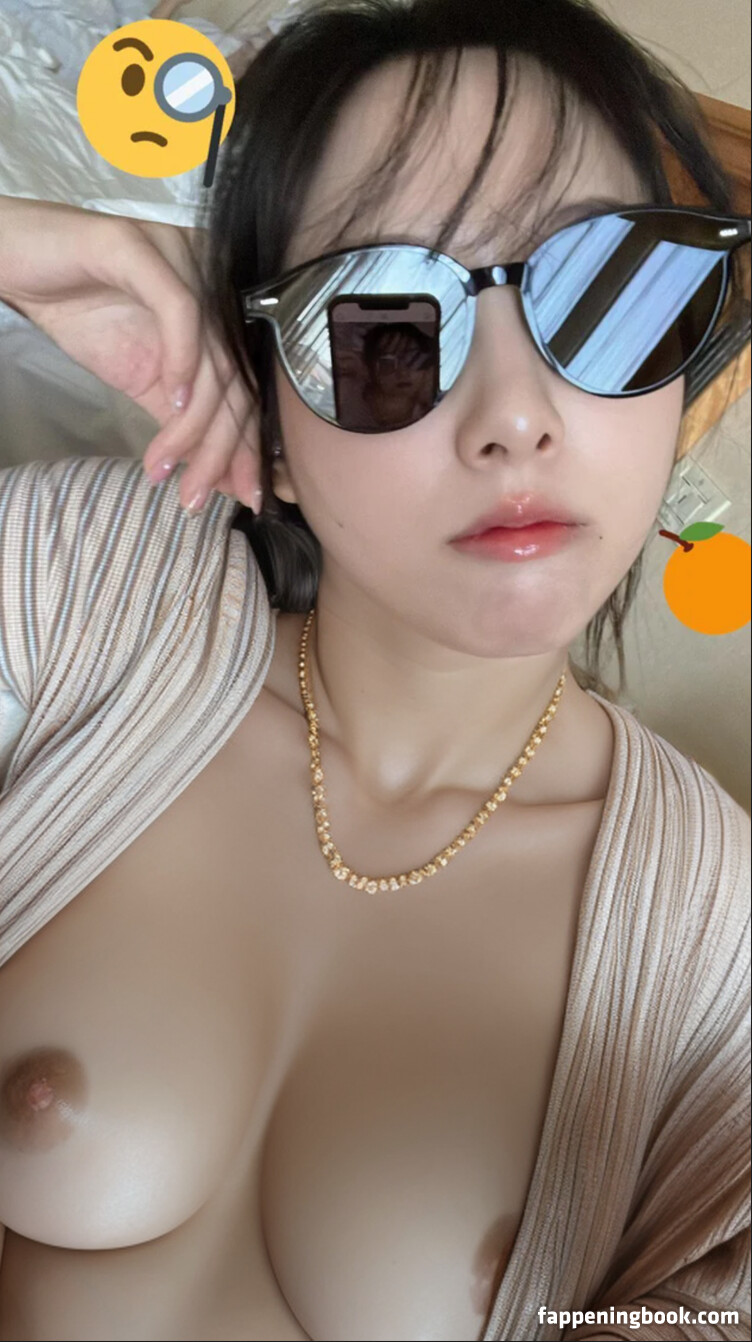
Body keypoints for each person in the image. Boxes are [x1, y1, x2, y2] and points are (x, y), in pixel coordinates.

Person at [0, 1, 750, 1339]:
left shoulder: (719, 947)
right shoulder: (86, 599)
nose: (515, 416)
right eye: (383, 324)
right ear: (266, 412)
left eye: (607, 290)